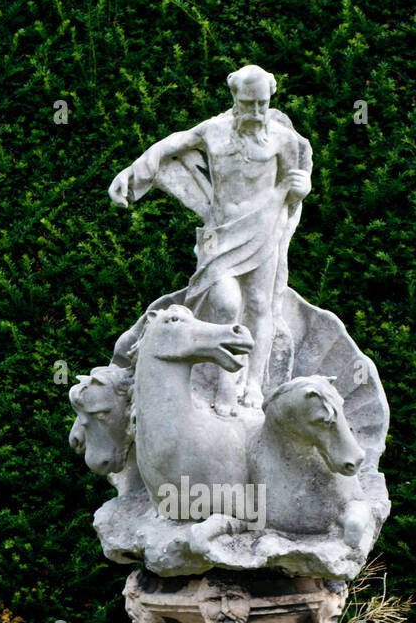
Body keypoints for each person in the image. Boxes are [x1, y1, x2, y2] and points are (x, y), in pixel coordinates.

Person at [109, 64, 312, 414]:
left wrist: (302, 187)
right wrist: (131, 173)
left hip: (263, 232)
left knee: (261, 307)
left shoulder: (283, 139)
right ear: (234, 96)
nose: (257, 112)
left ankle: (252, 383)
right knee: (227, 303)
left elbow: (298, 180)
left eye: (263, 104)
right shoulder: (213, 131)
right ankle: (225, 383)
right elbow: (171, 144)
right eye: (249, 104)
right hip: (220, 235)